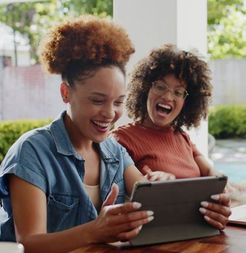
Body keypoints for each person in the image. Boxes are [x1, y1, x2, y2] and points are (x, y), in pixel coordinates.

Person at [0, 17, 230, 253]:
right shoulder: (32, 151)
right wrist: (94, 231)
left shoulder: (115, 153)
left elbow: (156, 208)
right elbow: (26, 244)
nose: (110, 114)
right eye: (98, 100)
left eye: (118, 102)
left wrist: (208, 215)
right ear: (66, 92)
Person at [112, 44, 236, 184]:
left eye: (178, 92)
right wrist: (151, 183)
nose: (168, 97)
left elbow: (209, 171)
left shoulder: (182, 137)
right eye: (160, 87)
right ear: (145, 88)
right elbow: (121, 194)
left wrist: (222, 184)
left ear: (186, 102)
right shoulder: (121, 139)